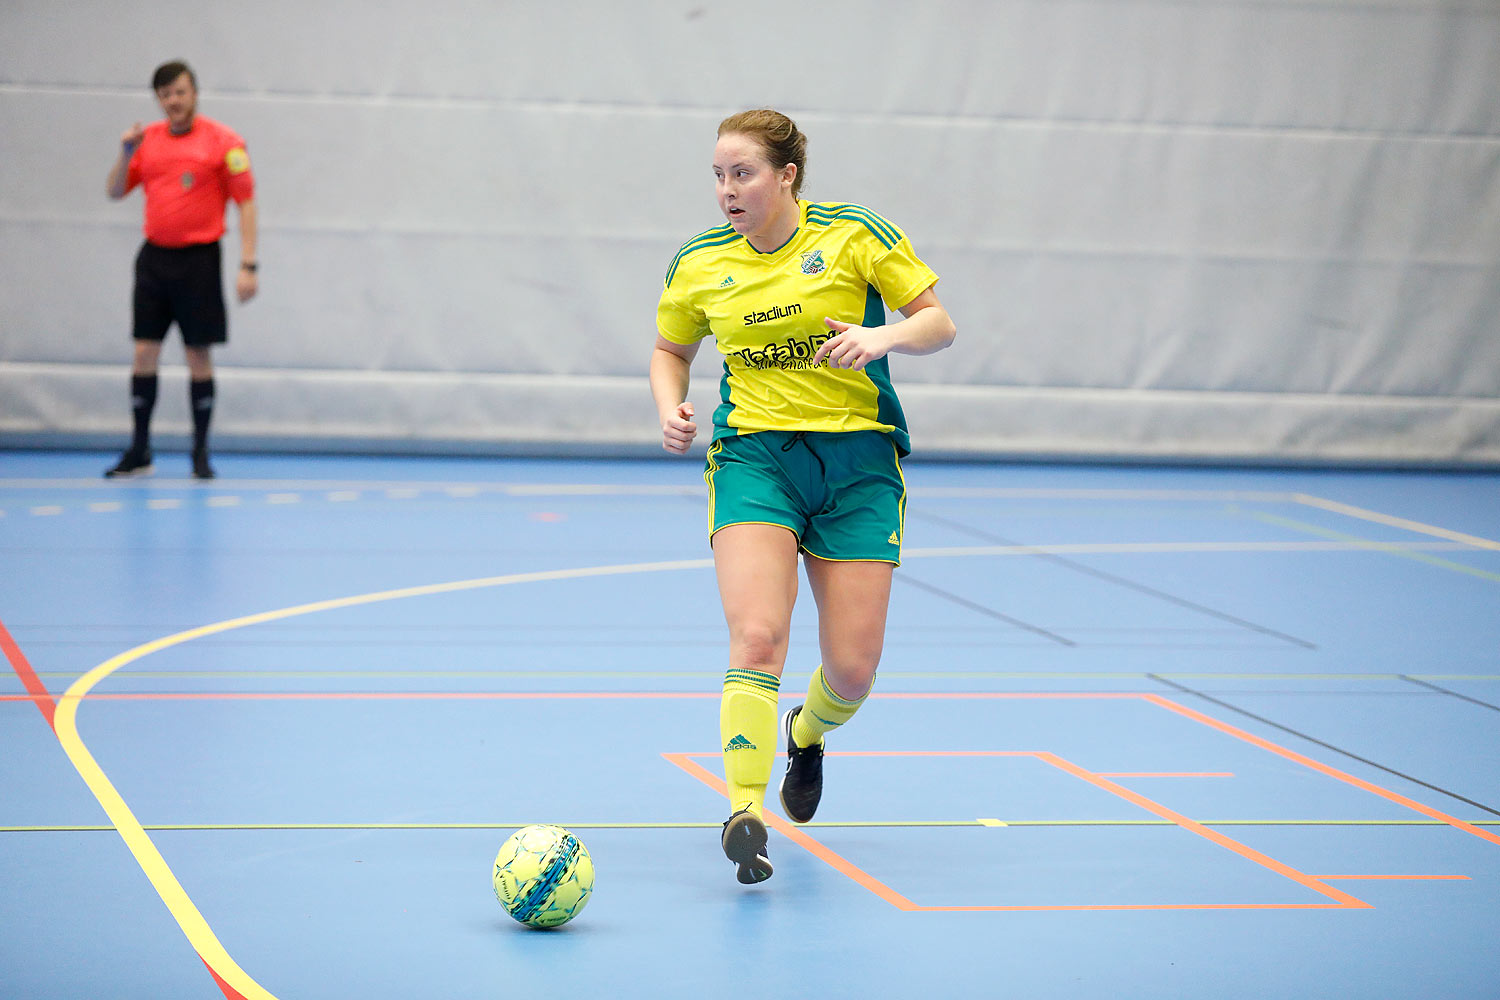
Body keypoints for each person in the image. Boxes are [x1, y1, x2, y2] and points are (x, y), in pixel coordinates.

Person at [650, 109, 956, 884]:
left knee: (852, 670)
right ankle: (744, 810)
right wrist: (670, 402)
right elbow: (669, 349)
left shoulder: (854, 236)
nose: (727, 189)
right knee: (757, 637)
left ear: (786, 176)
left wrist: (883, 337)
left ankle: (807, 731)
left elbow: (939, 324)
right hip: (756, 459)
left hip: (857, 466)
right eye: (719, 175)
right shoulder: (699, 263)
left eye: (743, 172)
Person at [104, 60, 258, 480]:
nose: (174, 101)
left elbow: (246, 202)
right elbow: (116, 191)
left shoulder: (224, 143)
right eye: (166, 95)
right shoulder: (147, 141)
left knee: (198, 356)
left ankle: (200, 451)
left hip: (198, 262)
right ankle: (140, 450)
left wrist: (248, 263)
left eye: (180, 92)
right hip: (155, 260)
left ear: (194, 93)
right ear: (159, 100)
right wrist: (125, 152)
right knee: (143, 352)